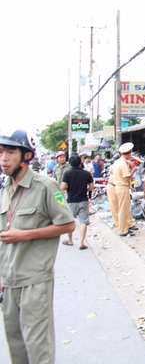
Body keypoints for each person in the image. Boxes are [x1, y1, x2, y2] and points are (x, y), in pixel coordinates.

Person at [0, 130, 75, 364]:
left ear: (26, 155)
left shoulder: (46, 186)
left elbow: (68, 224)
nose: (3, 158)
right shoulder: (5, 190)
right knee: (16, 346)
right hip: (9, 281)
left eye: (10, 152)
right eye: (1, 152)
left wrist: (25, 235)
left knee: (37, 347)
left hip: (34, 280)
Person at [61, 154, 94, 249]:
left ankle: (70, 240)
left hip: (71, 200)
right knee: (83, 221)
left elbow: (63, 187)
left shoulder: (67, 174)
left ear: (70, 163)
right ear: (80, 162)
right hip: (83, 200)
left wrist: (69, 188)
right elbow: (91, 187)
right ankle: (81, 243)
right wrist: (85, 189)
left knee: (70, 221)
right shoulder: (86, 173)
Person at [113, 143, 138, 237]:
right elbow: (127, 177)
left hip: (118, 186)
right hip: (122, 186)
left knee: (123, 208)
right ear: (129, 153)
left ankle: (124, 227)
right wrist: (133, 170)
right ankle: (122, 230)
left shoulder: (117, 162)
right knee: (123, 209)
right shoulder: (123, 164)